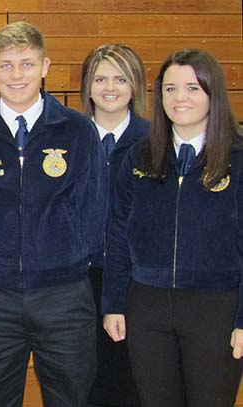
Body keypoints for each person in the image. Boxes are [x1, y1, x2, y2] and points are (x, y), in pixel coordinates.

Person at [0, 22, 107, 406]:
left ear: (45, 66)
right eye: (6, 65)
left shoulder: (76, 130)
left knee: (71, 397)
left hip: (64, 294)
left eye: (26, 64)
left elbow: (94, 209)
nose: (16, 75)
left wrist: (65, 255)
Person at [102, 48, 243, 407]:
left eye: (193, 88)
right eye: (170, 88)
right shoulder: (140, 155)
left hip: (216, 309)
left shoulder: (237, 158)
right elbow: (118, 234)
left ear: (214, 92)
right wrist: (114, 303)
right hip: (146, 306)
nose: (180, 98)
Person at [79, 44, 148, 407]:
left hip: (135, 281)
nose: (110, 87)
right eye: (100, 78)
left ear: (135, 85)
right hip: (77, 280)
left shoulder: (155, 141)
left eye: (121, 78)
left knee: (129, 382)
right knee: (82, 382)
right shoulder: (67, 139)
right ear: (87, 87)